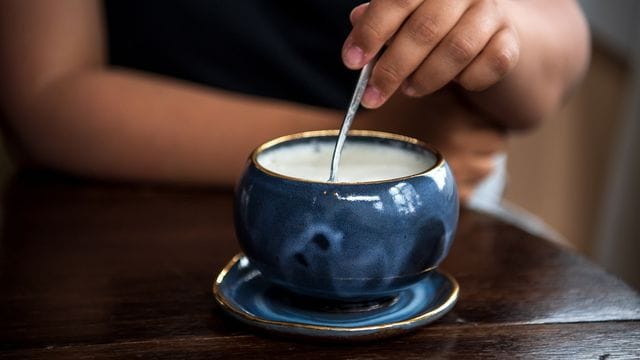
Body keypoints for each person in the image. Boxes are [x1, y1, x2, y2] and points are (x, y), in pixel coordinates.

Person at [0, 0, 590, 205]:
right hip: (124, 214)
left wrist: (495, 28)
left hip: (448, 227)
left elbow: (560, 51)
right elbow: (46, 96)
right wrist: (366, 147)